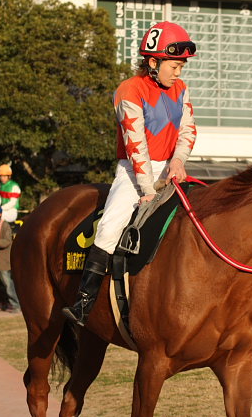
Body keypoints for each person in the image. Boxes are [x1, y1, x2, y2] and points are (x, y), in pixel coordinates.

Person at [62, 21, 198, 326]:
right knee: (109, 229)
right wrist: (147, 187)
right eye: (174, 65)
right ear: (153, 62)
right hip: (134, 171)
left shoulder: (181, 89)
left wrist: (178, 161)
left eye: (181, 66)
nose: (179, 72)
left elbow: (188, 129)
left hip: (170, 167)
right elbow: (135, 143)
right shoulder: (129, 90)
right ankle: (84, 303)